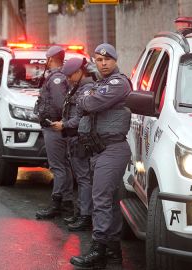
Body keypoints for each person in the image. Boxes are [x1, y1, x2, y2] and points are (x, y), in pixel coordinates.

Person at [70, 44, 132, 269]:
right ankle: (113, 253)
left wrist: (87, 97)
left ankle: (98, 248)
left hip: (113, 149)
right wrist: (87, 96)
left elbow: (89, 102)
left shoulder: (118, 83)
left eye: (107, 59)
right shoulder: (97, 84)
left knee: (101, 201)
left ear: (115, 60)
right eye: (98, 60)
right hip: (98, 150)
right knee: (109, 203)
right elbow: (83, 101)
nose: (103, 63)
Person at [51, 57, 94, 231]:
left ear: (79, 72)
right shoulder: (78, 87)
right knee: (81, 178)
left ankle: (86, 216)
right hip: (74, 137)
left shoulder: (86, 88)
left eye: (70, 75)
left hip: (80, 138)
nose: (68, 79)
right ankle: (81, 212)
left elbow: (81, 116)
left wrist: (64, 124)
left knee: (84, 179)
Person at [35, 46, 74, 220]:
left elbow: (60, 105)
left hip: (55, 127)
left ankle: (57, 204)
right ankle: (66, 203)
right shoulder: (59, 76)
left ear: (51, 58)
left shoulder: (57, 78)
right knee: (63, 167)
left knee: (58, 167)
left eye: (46, 58)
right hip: (58, 127)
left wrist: (60, 123)